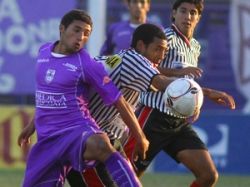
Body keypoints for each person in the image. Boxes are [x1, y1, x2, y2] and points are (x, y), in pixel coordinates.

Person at [19, 23, 173, 186]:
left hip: (99, 140)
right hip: (84, 143)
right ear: (141, 46)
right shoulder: (133, 61)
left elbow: (58, 94)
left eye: (86, 33)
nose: (162, 56)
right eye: (158, 49)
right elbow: (158, 85)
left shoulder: (104, 62)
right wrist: (192, 90)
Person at [124, 1, 236, 187]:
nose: (188, 16)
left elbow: (186, 84)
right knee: (125, 179)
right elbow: (144, 66)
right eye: (183, 11)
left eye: (193, 12)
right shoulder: (165, 38)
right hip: (153, 117)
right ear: (174, 13)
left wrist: (196, 101)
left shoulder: (195, 46)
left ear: (199, 18)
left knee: (208, 175)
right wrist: (177, 72)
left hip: (178, 123)